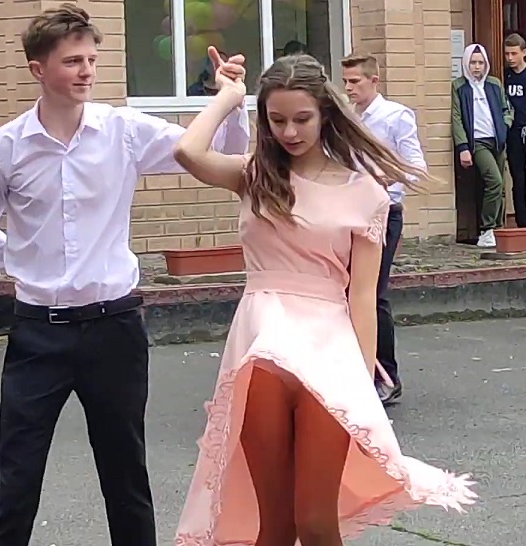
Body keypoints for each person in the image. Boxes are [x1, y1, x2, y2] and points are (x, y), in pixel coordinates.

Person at [0, 5, 250, 546]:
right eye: (72, 61)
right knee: (18, 476)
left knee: (125, 473)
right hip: (38, 333)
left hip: (114, 327)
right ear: (38, 69)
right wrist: (24, 263)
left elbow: (220, 157)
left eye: (91, 59)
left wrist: (230, 102)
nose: (87, 70)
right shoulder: (2, 148)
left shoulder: (124, 131)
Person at [173, 50, 476, 546]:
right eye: (276, 120)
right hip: (260, 346)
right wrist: (230, 96)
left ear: (326, 114)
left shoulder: (367, 192)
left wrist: (364, 375)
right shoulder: (254, 175)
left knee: (316, 522)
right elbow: (188, 151)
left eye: (302, 118)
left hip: (329, 349)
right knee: (274, 526)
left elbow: (364, 295)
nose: (289, 132)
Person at [341, 53, 427, 405]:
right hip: (348, 214)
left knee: (372, 294)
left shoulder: (395, 116)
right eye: (345, 82)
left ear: (374, 81)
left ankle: (387, 376)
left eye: (355, 82)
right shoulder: (346, 118)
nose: (349, 88)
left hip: (383, 213)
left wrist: (382, 179)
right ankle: (357, 369)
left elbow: (416, 167)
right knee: (346, 292)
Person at [451, 43, 512, 247]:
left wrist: (505, 124)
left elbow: (506, 108)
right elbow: (456, 118)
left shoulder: (494, 84)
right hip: (477, 142)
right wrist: (462, 147)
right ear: (466, 64)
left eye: (480, 63)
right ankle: (487, 228)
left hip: (497, 140)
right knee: (494, 180)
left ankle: (498, 228)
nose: (477, 67)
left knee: (500, 187)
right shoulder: (459, 86)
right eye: (473, 63)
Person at [504, 33, 526, 227]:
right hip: (513, 134)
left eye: (514, 53)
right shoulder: (505, 76)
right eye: (507, 54)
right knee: (518, 179)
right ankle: (522, 224)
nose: (510, 58)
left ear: (523, 53)